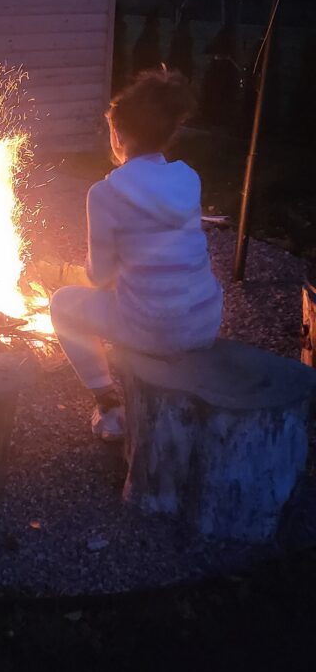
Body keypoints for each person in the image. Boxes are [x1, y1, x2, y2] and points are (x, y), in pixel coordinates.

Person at [51, 70, 223, 441]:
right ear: (168, 135)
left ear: (118, 135)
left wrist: (91, 275)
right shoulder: (188, 179)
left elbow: (99, 276)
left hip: (155, 328)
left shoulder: (105, 193)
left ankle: (109, 404)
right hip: (205, 320)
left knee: (63, 305)